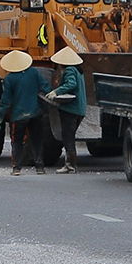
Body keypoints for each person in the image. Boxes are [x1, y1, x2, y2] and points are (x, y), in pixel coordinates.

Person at [0, 50, 53, 176]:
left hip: (18, 115)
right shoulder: (33, 72)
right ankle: (40, 167)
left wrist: (0, 117)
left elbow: (5, 100)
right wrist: (54, 94)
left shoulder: (9, 79)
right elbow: (45, 86)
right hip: (36, 113)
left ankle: (17, 168)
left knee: (17, 141)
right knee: (37, 140)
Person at [47, 46, 86, 174]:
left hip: (71, 109)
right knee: (70, 136)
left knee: (68, 137)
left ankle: (70, 165)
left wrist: (56, 91)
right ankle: (71, 164)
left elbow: (71, 84)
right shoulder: (78, 70)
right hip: (80, 109)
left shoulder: (69, 70)